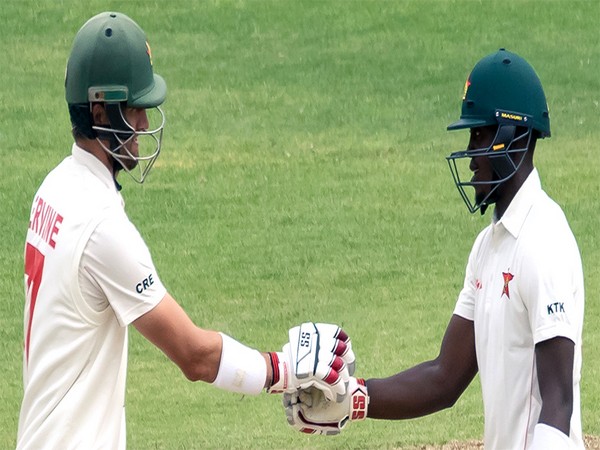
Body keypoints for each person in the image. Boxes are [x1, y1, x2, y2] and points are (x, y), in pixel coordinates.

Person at [17, 12, 355, 449]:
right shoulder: (101, 226)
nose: (142, 124)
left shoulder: (55, 188)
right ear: (99, 110)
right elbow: (194, 356)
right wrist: (284, 370)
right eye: (134, 109)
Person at [284, 49, 585, 449]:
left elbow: (558, 402)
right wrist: (354, 398)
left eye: (480, 134)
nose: (471, 153)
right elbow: (444, 377)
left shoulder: (545, 240)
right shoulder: (488, 248)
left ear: (516, 136)